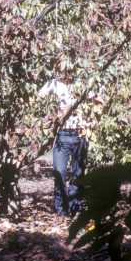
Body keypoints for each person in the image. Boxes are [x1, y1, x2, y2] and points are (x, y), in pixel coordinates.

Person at [39, 73, 99, 217]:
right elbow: (39, 97)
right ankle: (61, 210)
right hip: (62, 136)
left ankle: (74, 208)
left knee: (78, 174)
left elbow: (99, 101)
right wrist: (51, 115)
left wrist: (91, 121)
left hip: (80, 135)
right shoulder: (55, 84)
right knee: (59, 173)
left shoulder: (86, 81)